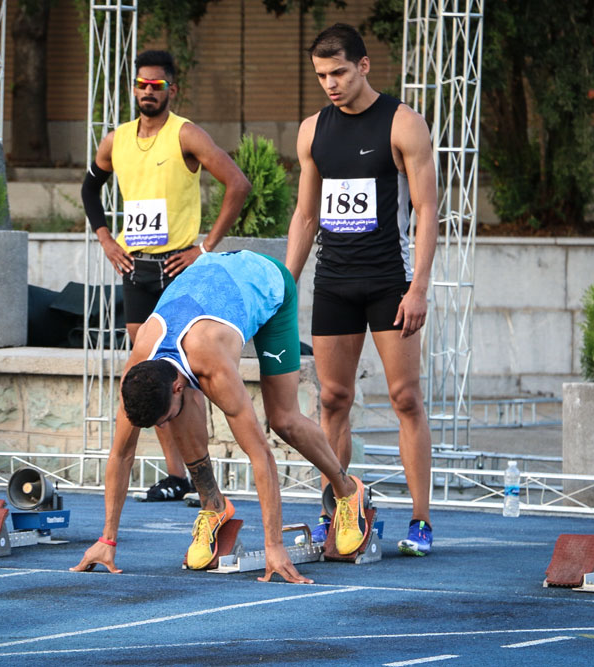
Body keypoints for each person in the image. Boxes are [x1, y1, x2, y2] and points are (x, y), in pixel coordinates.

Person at [70, 250, 368, 583]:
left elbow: (261, 456)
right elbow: (121, 454)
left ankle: (346, 491)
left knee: (284, 420)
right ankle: (213, 506)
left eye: (162, 419)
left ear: (180, 385)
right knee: (179, 415)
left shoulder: (213, 366)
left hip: (266, 283)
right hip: (209, 280)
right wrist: (107, 539)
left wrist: (274, 546)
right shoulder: (139, 369)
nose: (162, 427)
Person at [285, 24, 438, 556]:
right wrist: (286, 283)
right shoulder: (312, 131)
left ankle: (420, 520)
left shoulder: (403, 124)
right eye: (322, 75)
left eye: (340, 73)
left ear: (364, 66)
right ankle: (337, 510)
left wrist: (418, 287)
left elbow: (426, 210)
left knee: (405, 398)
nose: (330, 83)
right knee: (332, 399)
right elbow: (306, 215)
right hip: (334, 283)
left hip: (388, 282)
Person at [81, 50, 251, 501]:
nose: (147, 92)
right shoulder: (114, 141)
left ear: (171, 90)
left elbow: (238, 184)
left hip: (180, 269)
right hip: (137, 269)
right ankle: (176, 476)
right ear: (134, 89)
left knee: (185, 379)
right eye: (141, 85)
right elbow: (89, 188)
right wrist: (106, 239)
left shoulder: (186, 135)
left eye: (156, 85)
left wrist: (205, 248)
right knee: (145, 377)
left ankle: (202, 481)